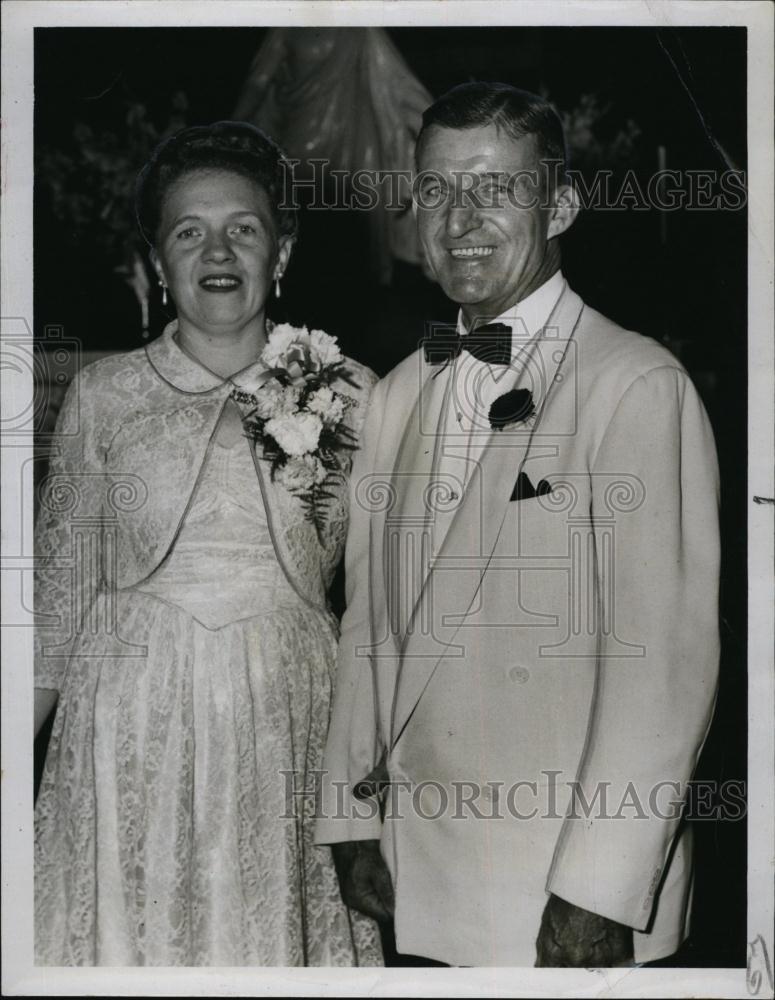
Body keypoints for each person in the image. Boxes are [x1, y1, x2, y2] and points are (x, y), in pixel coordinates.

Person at [315, 83, 720, 967]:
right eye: (434, 190)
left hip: (559, 892)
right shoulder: (396, 392)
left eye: (493, 187)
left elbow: (661, 671)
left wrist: (596, 890)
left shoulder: (635, 385)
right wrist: (349, 815)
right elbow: (368, 628)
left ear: (561, 206)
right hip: (418, 874)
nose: (458, 216)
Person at [33, 121, 382, 967]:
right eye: (188, 232)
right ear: (157, 262)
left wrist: (373, 787)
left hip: (288, 719)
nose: (216, 250)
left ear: (281, 252)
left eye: (243, 228)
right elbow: (57, 599)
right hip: (126, 722)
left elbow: (382, 612)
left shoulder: (358, 393)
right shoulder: (102, 394)